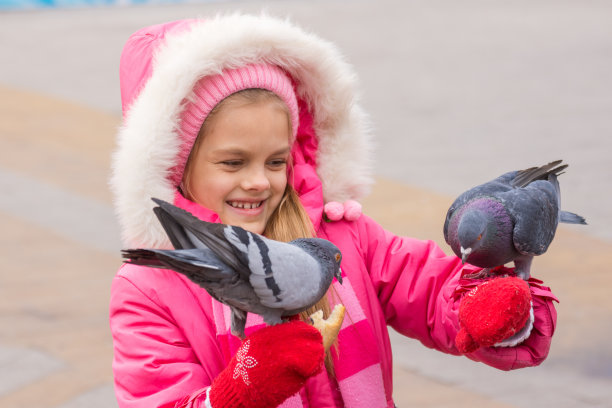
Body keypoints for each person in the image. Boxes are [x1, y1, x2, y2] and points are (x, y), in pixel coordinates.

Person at [109, 14, 558, 408]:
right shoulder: (150, 287)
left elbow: (429, 287)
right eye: (233, 162)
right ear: (175, 164)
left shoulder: (341, 235)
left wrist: (488, 307)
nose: (259, 181)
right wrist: (239, 393)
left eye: (276, 161)